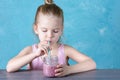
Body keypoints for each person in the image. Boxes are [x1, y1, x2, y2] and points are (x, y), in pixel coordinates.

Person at [6, 0, 96, 77]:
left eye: (55, 31)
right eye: (44, 30)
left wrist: (69, 69)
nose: (50, 35)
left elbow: (91, 63)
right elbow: (9, 67)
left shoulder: (66, 50)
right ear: (36, 29)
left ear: (61, 30)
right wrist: (34, 55)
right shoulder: (31, 50)